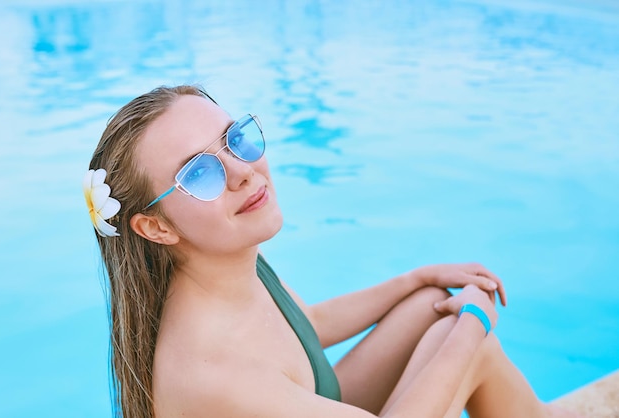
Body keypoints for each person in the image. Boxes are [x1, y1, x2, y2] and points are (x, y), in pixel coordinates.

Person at [84, 85, 580, 418]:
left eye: (235, 140)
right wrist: (474, 322)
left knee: (430, 304)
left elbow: (307, 325)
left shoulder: (224, 265)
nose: (241, 171)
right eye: (199, 173)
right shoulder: (210, 371)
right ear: (154, 227)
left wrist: (415, 279)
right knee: (467, 342)